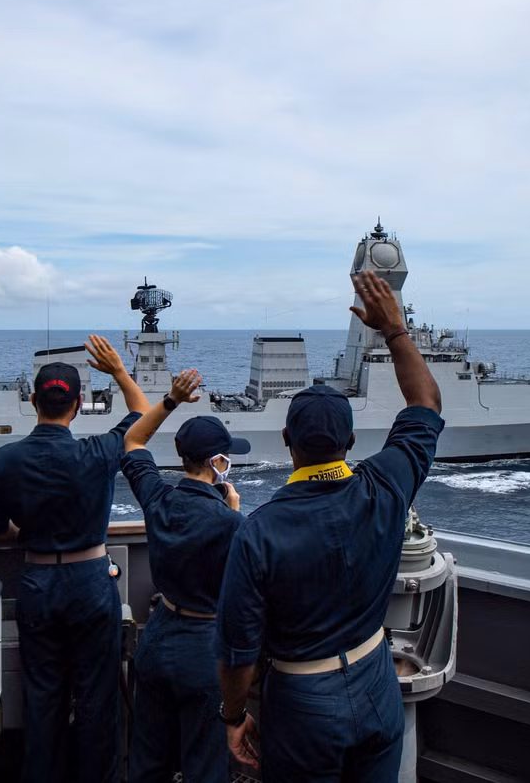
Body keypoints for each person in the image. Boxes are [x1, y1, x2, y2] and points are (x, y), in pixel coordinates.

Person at [214, 269, 444, 782]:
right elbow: (426, 403)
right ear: (352, 441)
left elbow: (237, 654)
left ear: (287, 440)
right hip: (376, 677)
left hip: (303, 699)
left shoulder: (258, 532)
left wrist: (232, 716)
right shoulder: (386, 486)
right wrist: (395, 329)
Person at [0, 335, 150, 783]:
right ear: (78, 405)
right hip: (91, 581)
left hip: (37, 582)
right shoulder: (98, 451)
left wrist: (26, 533)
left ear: (33, 401)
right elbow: (143, 414)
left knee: (42, 699)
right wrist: (119, 371)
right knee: (98, 700)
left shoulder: (4, 460)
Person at [119, 369, 247, 783]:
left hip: (158, 638)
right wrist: (232, 513)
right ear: (217, 463)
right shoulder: (230, 523)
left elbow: (133, 441)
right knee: (205, 766)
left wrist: (171, 400)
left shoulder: (158, 498)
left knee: (147, 761)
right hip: (204, 650)